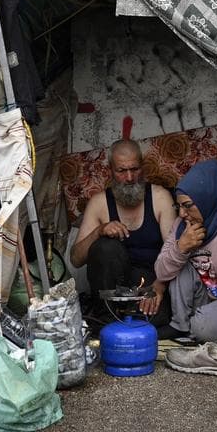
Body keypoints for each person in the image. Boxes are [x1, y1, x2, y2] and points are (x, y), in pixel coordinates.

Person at [70, 139, 176, 327]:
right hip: (112, 288)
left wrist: (159, 286)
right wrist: (99, 231)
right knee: (105, 246)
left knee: (156, 321)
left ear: (142, 168)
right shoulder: (99, 203)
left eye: (134, 169)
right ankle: (107, 319)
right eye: (121, 171)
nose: (129, 177)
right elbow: (76, 259)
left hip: (150, 283)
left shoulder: (160, 198)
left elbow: (175, 253)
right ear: (110, 170)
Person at [148, 159, 217, 343]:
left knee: (203, 328)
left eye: (188, 205)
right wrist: (181, 248)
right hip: (200, 301)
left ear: (206, 198)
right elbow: (161, 272)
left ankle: (198, 329)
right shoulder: (181, 225)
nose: (182, 214)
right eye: (179, 206)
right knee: (179, 262)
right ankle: (180, 326)